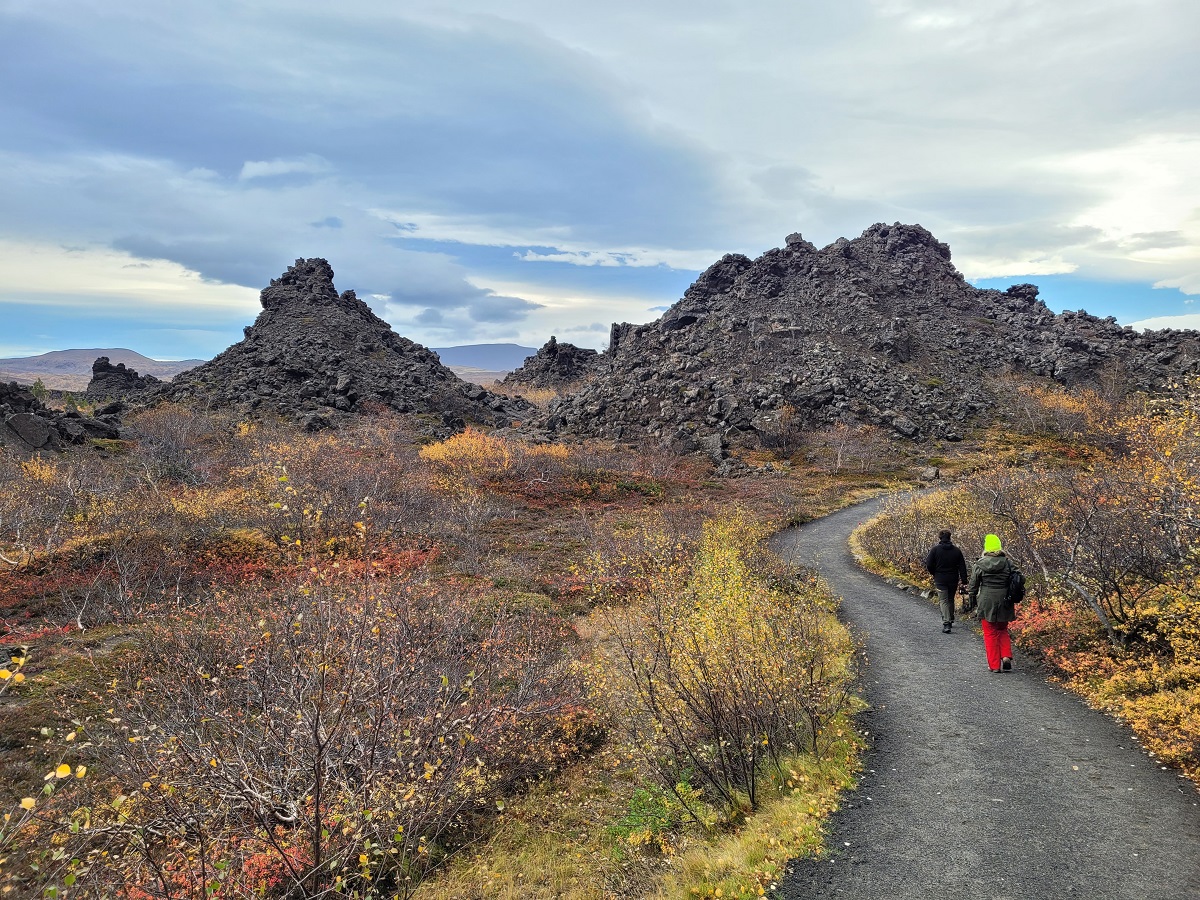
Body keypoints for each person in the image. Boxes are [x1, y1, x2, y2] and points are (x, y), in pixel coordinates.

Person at [966, 534, 1021, 673]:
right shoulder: (1008, 563)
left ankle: (995, 665)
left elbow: (973, 586)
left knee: (989, 632)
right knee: (1002, 629)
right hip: (1005, 600)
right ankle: (1006, 655)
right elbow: (1021, 578)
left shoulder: (980, 564)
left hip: (986, 601)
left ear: (986, 548)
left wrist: (971, 597)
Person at [925, 529, 968, 633]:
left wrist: (934, 573)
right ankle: (951, 617)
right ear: (950, 537)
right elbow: (962, 567)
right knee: (950, 599)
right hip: (953, 578)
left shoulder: (935, 550)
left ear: (940, 537)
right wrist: (964, 580)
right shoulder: (957, 551)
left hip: (940, 578)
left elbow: (929, 564)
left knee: (943, 600)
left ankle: (946, 623)